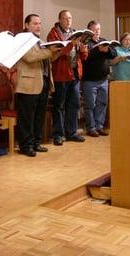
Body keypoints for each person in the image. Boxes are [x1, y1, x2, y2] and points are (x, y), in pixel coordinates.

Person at [15, 14, 61, 157]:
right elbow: (30, 57)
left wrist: (58, 51)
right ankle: (25, 145)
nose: (38, 26)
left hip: (43, 81)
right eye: (35, 23)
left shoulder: (39, 41)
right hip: (28, 82)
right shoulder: (21, 39)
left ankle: (35, 142)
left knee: (38, 115)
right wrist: (49, 51)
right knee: (27, 117)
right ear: (26, 25)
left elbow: (47, 57)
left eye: (40, 23)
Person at [47, 10, 88, 145]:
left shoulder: (75, 33)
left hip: (75, 74)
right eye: (65, 18)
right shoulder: (53, 34)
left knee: (74, 104)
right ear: (59, 20)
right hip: (61, 74)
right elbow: (58, 52)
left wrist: (83, 50)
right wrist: (71, 43)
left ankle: (71, 132)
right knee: (59, 105)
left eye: (70, 18)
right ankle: (58, 134)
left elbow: (83, 57)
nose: (68, 21)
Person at [82, 21, 116, 137]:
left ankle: (99, 126)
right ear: (89, 30)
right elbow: (86, 58)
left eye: (99, 29)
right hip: (90, 80)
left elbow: (113, 54)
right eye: (95, 29)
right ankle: (91, 128)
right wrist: (99, 50)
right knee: (90, 105)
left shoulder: (103, 41)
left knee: (102, 103)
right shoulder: (85, 42)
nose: (97, 31)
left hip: (103, 79)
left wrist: (107, 50)